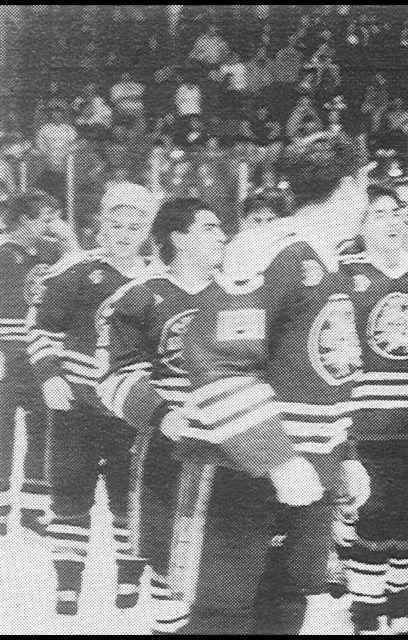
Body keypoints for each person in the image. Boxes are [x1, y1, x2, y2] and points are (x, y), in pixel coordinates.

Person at [178, 131, 372, 634]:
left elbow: (326, 369)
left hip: (309, 471)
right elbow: (217, 362)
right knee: (223, 618)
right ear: (351, 187)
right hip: (244, 471)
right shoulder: (266, 247)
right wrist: (277, 458)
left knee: (286, 609)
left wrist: (343, 454)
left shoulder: (330, 258)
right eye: (365, 186)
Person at [26, 182, 160, 615]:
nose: (123, 233)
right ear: (101, 224)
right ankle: (67, 590)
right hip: (77, 405)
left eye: (134, 225)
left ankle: (128, 578)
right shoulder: (77, 270)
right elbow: (42, 327)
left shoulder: (161, 281)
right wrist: (50, 376)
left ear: (149, 229)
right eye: (114, 223)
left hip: (132, 413)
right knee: (68, 491)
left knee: (130, 496)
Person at [97, 198, 226, 634]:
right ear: (179, 237)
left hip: (236, 448)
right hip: (167, 452)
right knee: (168, 564)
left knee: (224, 567)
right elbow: (114, 376)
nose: (222, 236)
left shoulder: (240, 292)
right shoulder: (139, 296)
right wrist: (161, 415)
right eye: (209, 227)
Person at [337, 188, 408, 634]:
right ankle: (365, 614)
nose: (392, 221)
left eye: (399, 213)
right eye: (379, 214)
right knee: (371, 518)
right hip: (368, 421)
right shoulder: (343, 276)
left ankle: (401, 601)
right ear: (361, 225)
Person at [0, 193, 75, 538]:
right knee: (2, 431)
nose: (50, 225)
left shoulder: (49, 251)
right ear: (25, 220)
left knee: (41, 428)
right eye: (45, 218)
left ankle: (32, 508)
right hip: (4, 352)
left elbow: (81, 270)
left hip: (36, 352)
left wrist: (67, 237)